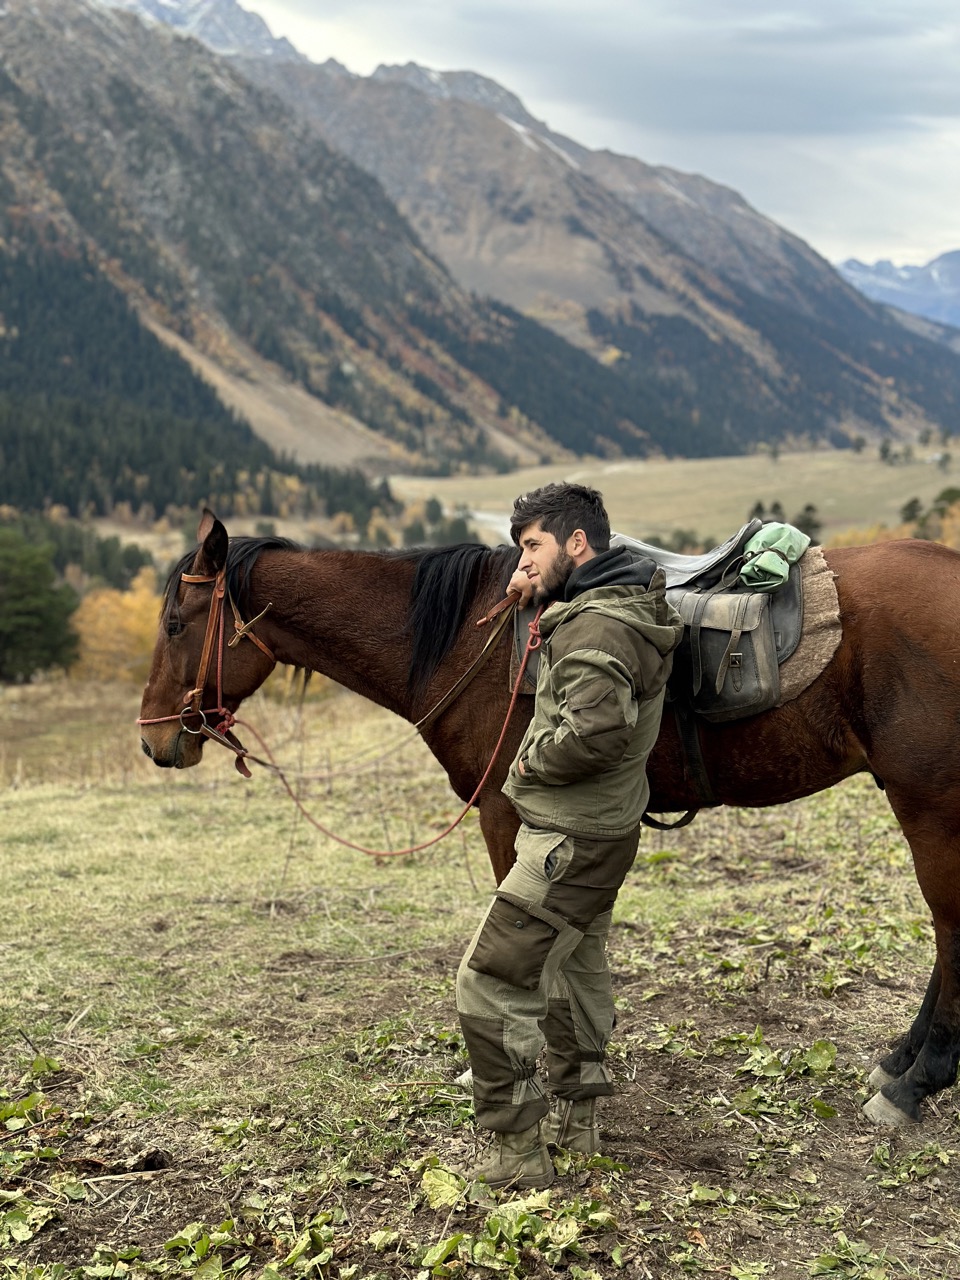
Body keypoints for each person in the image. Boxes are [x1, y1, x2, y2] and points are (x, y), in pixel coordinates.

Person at [456, 482, 684, 1189]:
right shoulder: (613, 606)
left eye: (533, 548)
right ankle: (577, 1121)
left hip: (569, 841)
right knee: (576, 971)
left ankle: (514, 1156)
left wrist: (527, 758)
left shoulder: (595, 627)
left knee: (491, 982)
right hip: (602, 831)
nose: (520, 563)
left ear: (577, 544)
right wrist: (549, 598)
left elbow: (596, 731)